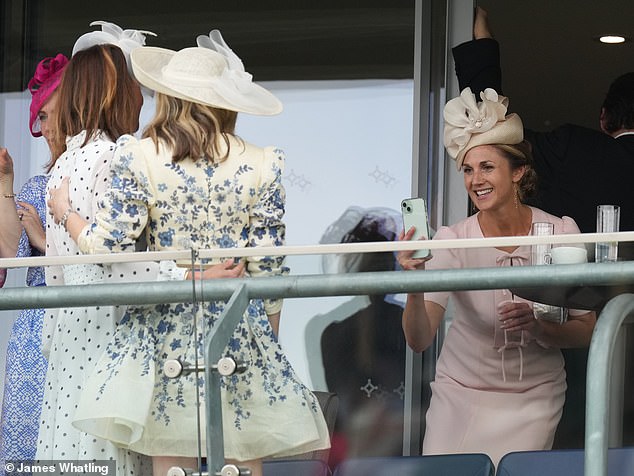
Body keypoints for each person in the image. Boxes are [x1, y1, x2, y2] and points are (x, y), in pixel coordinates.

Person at [48, 32, 330, 476]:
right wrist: (266, 342)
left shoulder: (138, 156)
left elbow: (105, 248)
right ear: (225, 102)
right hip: (236, 327)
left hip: (163, 334)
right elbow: (269, 270)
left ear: (169, 99)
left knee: (171, 463)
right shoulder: (262, 162)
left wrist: (66, 214)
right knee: (240, 459)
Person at [452, 6, 634, 448]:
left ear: (605, 118)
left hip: (582, 341)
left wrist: (481, 45)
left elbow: (493, 138)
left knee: (579, 450)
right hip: (585, 331)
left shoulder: (574, 149)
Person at [397, 87, 596, 466]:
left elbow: (586, 328)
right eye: (468, 170)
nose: (475, 180)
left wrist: (541, 329)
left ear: (519, 172)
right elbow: (419, 340)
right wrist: (413, 282)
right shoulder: (452, 240)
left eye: (487, 167)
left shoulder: (562, 233)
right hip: (458, 395)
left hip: (534, 397)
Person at [0, 53, 68, 466]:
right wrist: (6, 185)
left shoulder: (108, 173)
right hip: (33, 333)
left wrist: (44, 242)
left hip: (79, 324)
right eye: (39, 118)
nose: (42, 129)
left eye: (50, 115)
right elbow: (8, 258)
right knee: (28, 450)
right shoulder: (37, 184)